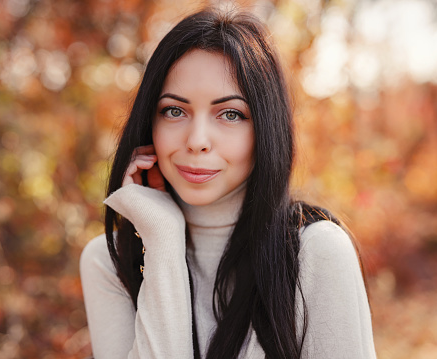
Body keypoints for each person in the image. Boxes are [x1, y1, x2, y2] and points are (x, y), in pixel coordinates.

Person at [80, 8, 377, 359]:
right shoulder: (109, 261)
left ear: (265, 130)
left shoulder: (316, 253)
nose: (197, 140)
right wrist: (162, 241)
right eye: (175, 111)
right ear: (150, 122)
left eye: (230, 114)